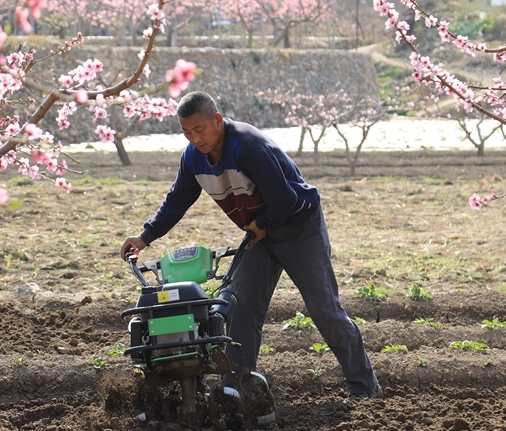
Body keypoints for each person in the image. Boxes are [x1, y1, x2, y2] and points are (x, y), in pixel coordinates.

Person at [119, 91, 381, 411]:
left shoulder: (247, 145)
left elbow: (284, 198)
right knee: (241, 307)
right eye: (187, 132)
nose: (194, 138)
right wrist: (146, 236)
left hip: (300, 229)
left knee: (324, 309)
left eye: (199, 129)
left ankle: (363, 386)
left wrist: (264, 222)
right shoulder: (193, 158)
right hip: (259, 233)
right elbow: (178, 199)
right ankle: (235, 387)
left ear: (217, 120)